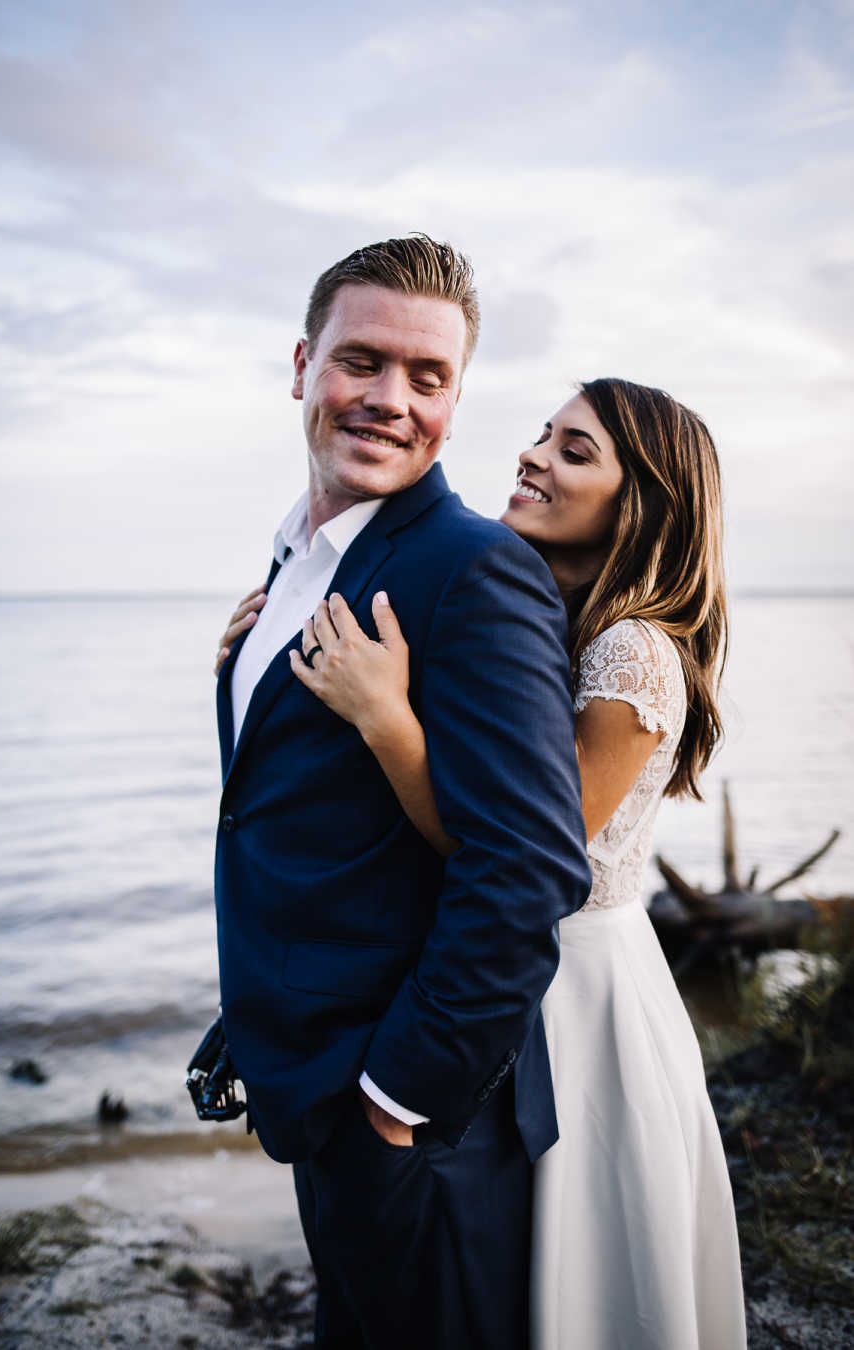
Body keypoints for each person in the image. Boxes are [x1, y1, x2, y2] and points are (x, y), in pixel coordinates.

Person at [216, 377, 748, 1348]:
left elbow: (521, 854)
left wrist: (386, 719)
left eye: (574, 451)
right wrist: (259, 673)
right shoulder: (549, 611)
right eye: (545, 434)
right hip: (524, 980)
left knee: (573, 1275)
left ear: (646, 504)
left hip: (578, 992)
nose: (533, 454)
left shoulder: (633, 652)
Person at [210, 234, 591, 1350]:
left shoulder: (474, 570)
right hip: (310, 1086)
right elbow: (281, 805)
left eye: (428, 379)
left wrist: (393, 1102)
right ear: (300, 365)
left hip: (414, 1123)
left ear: (457, 402)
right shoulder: (294, 567)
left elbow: (527, 875)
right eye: (361, 361)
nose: (389, 401)